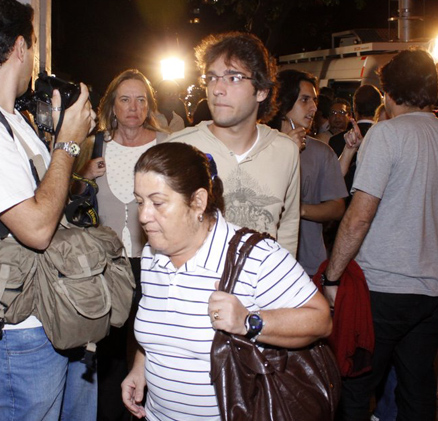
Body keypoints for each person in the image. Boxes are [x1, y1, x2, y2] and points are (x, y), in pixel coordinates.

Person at [121, 142, 332, 420]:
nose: (144, 216)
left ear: (197, 201)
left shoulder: (255, 256)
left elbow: (321, 320)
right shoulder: (151, 255)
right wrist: (142, 364)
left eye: (157, 202)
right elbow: (163, 325)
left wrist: (249, 322)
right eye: (140, 201)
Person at [323, 49, 438, 421]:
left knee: (356, 388)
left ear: (388, 93)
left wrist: (333, 276)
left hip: (383, 288)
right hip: (431, 289)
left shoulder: (387, 134)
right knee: (418, 391)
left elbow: (359, 217)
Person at [0, 0, 96, 419]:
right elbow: (38, 228)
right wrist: (68, 144)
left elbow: (56, 199)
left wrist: (64, 138)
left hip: (53, 314)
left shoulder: (16, 121)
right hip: (22, 332)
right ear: (21, 47)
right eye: (35, 48)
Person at [75, 68, 167, 421]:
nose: (133, 107)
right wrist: (84, 179)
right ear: (112, 106)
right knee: (110, 350)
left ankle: (154, 410)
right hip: (107, 264)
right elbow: (70, 198)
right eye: (125, 99)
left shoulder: (165, 143)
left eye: (141, 99)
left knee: (153, 344)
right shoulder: (95, 144)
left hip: (154, 261)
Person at [168, 32, 300, 256]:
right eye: (211, 77)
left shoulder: (286, 151)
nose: (217, 89)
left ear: (261, 91)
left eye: (233, 77)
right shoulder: (179, 149)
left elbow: (288, 228)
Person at [270, 69, 347, 277]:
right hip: (264, 266)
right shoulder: (260, 145)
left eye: (314, 100)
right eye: (304, 100)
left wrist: (300, 209)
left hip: (308, 267)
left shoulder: (321, 152)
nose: (313, 108)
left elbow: (336, 207)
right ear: (283, 103)